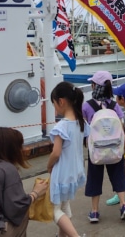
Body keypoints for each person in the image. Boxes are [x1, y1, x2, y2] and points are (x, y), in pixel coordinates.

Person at [82, 71, 125, 223]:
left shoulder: (87, 106)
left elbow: (84, 129)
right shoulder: (114, 105)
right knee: (118, 174)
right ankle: (124, 205)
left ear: (94, 86)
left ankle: (95, 212)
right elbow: (121, 127)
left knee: (95, 177)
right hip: (114, 148)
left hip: (96, 149)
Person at [47, 82, 88, 237]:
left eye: (54, 104)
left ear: (61, 101)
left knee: (54, 210)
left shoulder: (61, 126)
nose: (55, 107)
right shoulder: (80, 122)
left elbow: (56, 153)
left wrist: (48, 165)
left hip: (62, 172)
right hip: (75, 170)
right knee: (64, 204)